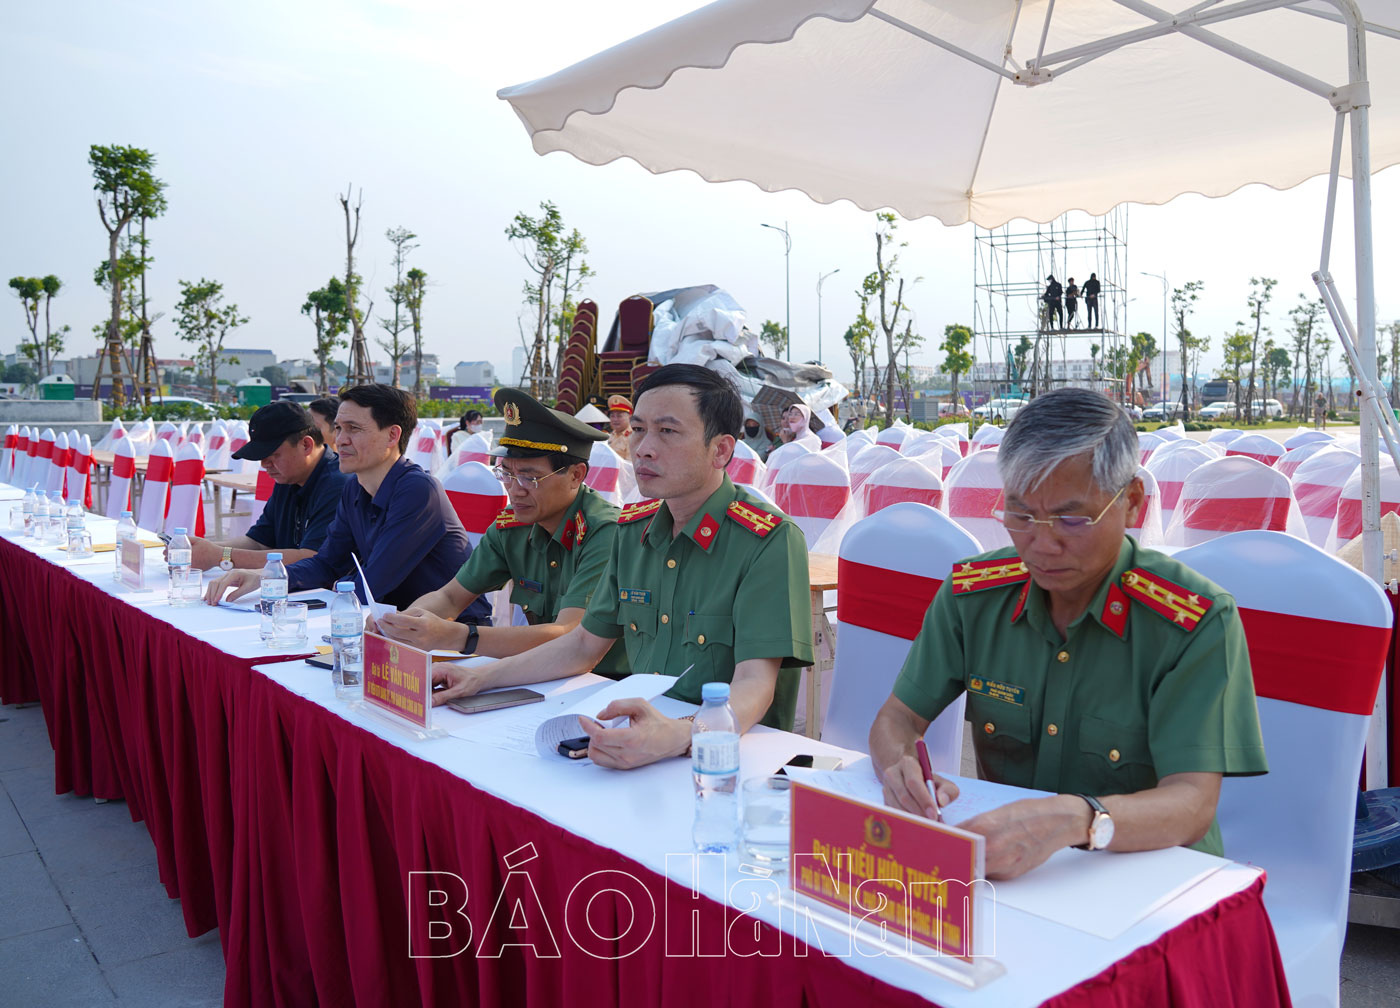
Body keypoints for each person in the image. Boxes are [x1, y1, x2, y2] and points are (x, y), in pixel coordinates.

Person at [869, 388, 1266, 879]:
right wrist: (901, 767)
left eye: (1072, 519)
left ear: (1132, 502)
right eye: (1020, 515)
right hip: (1013, 874)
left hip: (1150, 876)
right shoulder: (974, 596)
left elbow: (1192, 803)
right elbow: (897, 718)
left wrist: (1074, 820)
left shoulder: (1191, 621)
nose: (1042, 543)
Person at [430, 364, 815, 770]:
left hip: (723, 758)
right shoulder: (633, 532)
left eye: (667, 431)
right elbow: (582, 644)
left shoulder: (767, 540)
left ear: (720, 450)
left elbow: (755, 683)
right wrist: (481, 678)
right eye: (639, 429)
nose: (643, 448)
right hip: (635, 740)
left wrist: (681, 734)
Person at [375, 388, 629, 678]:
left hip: (603, 684)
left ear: (576, 475)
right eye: (507, 473)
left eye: (530, 477)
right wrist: (401, 625)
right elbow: (450, 597)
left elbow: (569, 635)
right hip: (539, 674)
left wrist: (460, 636)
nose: (514, 490)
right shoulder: (512, 526)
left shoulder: (604, 533)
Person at [206, 384, 492, 623]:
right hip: (389, 625)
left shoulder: (418, 490)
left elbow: (372, 584)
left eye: (353, 429)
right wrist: (264, 577)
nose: (340, 440)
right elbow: (327, 563)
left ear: (392, 435)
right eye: (339, 428)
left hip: (451, 637)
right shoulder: (354, 488)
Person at [174, 401, 347, 573]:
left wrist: (219, 555)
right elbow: (259, 541)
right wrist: (202, 549)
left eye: (273, 455)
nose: (264, 464)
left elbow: (312, 558)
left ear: (306, 445)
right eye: (261, 457)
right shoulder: (289, 478)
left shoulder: (338, 485)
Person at [606, 394, 632, 460]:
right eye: (612, 416)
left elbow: (630, 464)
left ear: (630, 417)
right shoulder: (611, 435)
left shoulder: (632, 436)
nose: (615, 419)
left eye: (619, 416)